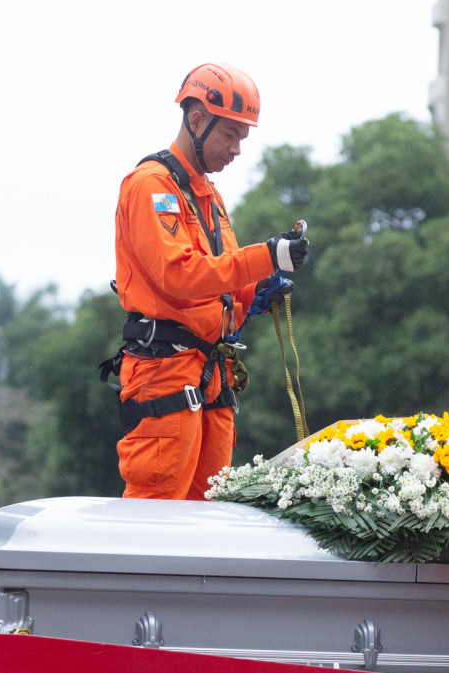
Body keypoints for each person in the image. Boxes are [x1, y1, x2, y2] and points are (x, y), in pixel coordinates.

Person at [108, 63, 309, 500]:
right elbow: (179, 275)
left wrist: (258, 292)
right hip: (165, 372)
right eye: (230, 135)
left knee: (208, 516)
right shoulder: (151, 186)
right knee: (155, 517)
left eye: (243, 138)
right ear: (196, 120)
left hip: (209, 375)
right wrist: (266, 256)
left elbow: (220, 284)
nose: (237, 149)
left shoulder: (208, 196)